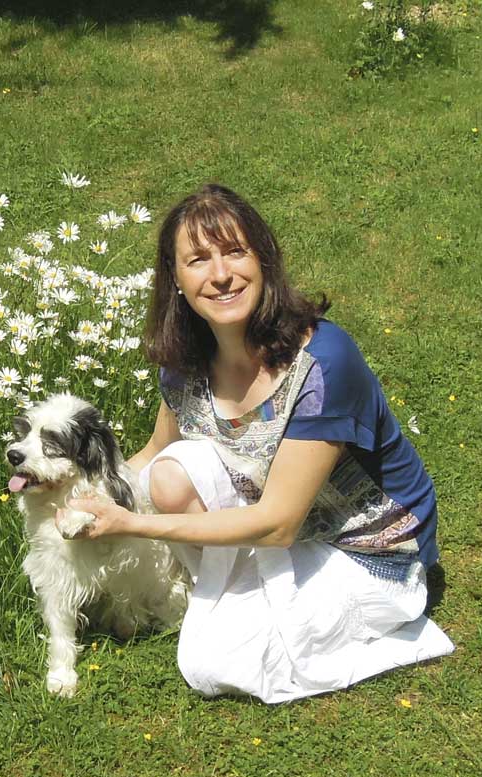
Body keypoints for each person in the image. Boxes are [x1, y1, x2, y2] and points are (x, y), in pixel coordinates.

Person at [63, 183, 453, 703]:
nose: (220, 274)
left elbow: (278, 523)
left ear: (263, 260)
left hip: (369, 550)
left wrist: (133, 524)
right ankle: (253, 596)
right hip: (285, 532)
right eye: (198, 259)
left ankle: (362, 614)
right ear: (176, 280)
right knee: (170, 473)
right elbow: (152, 456)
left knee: (213, 661)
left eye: (234, 252)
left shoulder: (322, 365)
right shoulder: (186, 364)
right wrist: (79, 496)